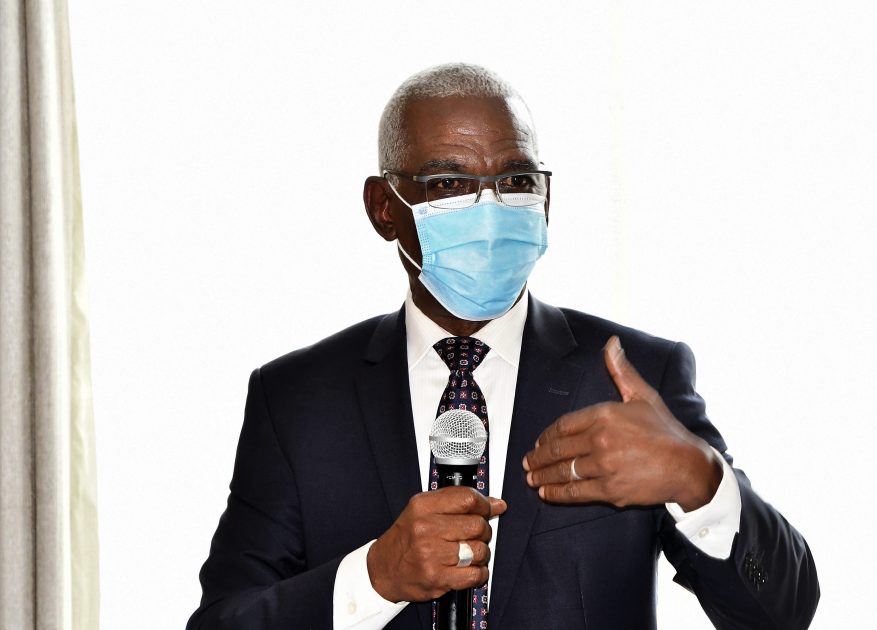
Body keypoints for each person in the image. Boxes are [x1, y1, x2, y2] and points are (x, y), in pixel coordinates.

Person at [187, 62, 819, 630]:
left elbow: (782, 614)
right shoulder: (295, 400)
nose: (489, 210)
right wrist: (374, 578)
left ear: (546, 198)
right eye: (448, 183)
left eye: (515, 179)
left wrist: (699, 479)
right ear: (384, 208)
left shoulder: (631, 379)